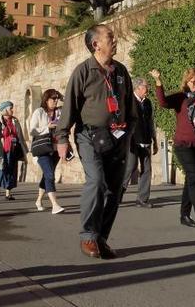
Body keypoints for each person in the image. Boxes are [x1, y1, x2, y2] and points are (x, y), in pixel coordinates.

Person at [56, 24, 141, 260]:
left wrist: (130, 130)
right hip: (89, 136)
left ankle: (101, 238)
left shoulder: (121, 72)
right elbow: (69, 108)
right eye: (110, 37)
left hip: (118, 137)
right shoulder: (83, 72)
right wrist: (62, 138)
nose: (115, 40)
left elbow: (130, 108)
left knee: (115, 189)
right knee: (96, 180)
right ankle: (87, 236)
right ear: (96, 44)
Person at [150, 67, 195, 233]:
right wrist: (158, 82)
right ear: (187, 82)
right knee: (194, 178)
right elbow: (163, 102)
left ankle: (184, 215)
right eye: (193, 81)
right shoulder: (181, 97)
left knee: (191, 180)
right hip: (183, 145)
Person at [121, 77, 158, 208]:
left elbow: (150, 122)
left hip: (146, 140)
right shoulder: (128, 101)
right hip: (132, 140)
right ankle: (117, 195)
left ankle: (142, 199)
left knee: (147, 170)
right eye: (146, 86)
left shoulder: (148, 102)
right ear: (138, 88)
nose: (148, 89)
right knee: (130, 167)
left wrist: (155, 140)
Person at [29, 89, 66, 214]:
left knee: (47, 175)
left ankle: (39, 200)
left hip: (55, 148)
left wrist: (62, 97)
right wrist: (47, 127)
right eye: (53, 98)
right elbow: (32, 130)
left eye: (56, 98)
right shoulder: (39, 112)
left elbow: (70, 105)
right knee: (50, 175)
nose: (55, 101)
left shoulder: (59, 111)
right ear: (46, 99)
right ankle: (55, 205)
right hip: (43, 149)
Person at [0, 101, 28, 200]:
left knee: (12, 170)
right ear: (5, 110)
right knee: (0, 169)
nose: (12, 110)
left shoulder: (15, 121)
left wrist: (24, 148)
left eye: (12, 108)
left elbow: (19, 135)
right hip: (2, 149)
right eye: (10, 108)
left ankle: (8, 193)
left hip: (13, 149)